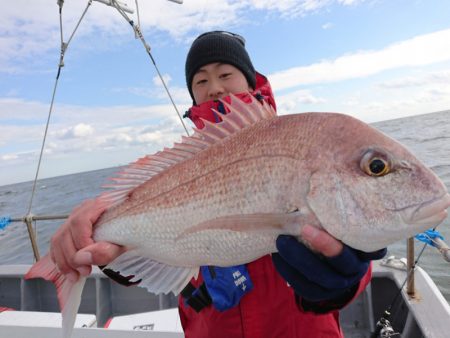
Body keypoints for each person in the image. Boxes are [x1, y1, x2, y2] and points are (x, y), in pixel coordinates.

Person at [50, 31, 386, 338]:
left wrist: (344, 281)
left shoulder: (302, 146)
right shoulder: (183, 166)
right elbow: (155, 248)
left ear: (250, 79)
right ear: (192, 95)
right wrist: (101, 241)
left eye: (225, 74)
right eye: (201, 80)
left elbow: (352, 256)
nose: (215, 87)